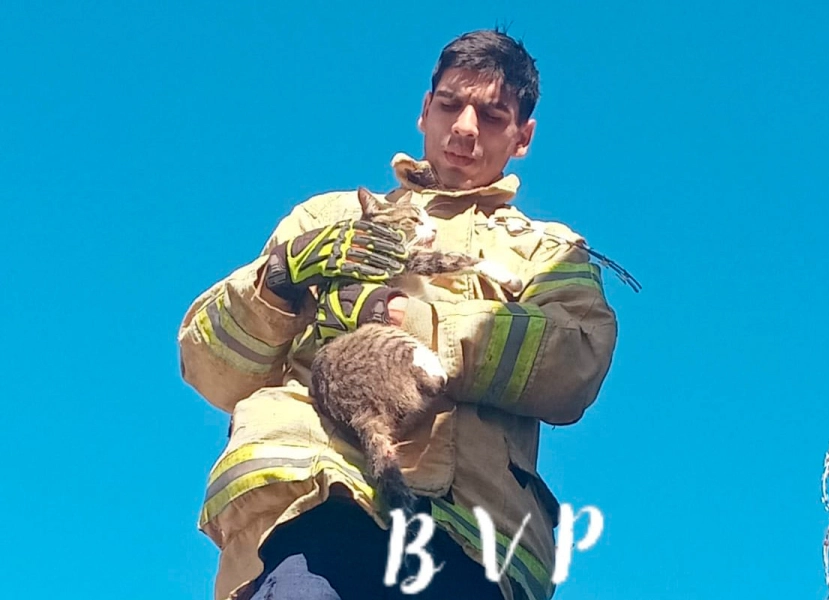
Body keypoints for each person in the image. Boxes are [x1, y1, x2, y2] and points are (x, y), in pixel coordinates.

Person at [178, 27, 618, 600]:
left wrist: (403, 320)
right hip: (316, 499)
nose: (464, 128)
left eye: (491, 115)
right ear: (424, 112)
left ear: (523, 136)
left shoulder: (550, 251)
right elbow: (211, 366)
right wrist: (282, 279)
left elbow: (575, 362)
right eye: (450, 104)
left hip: (471, 540)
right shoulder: (330, 214)